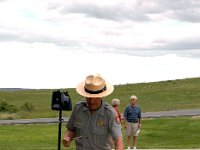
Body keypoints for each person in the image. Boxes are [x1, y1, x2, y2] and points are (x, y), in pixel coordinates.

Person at [62, 74, 124, 150]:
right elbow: (71, 130)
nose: (91, 101)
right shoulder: (78, 108)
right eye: (88, 97)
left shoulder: (110, 113)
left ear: (101, 96)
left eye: (95, 98)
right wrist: (67, 138)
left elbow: (118, 140)